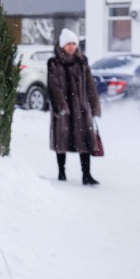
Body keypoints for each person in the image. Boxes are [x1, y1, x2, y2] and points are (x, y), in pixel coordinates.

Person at [47, 28, 102, 186]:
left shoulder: (82, 62)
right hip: (63, 109)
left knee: (85, 141)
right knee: (61, 141)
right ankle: (61, 172)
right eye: (68, 43)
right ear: (62, 45)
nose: (71, 47)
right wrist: (60, 106)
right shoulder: (54, 62)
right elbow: (53, 86)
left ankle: (86, 174)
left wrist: (94, 105)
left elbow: (90, 85)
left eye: (73, 43)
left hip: (81, 108)